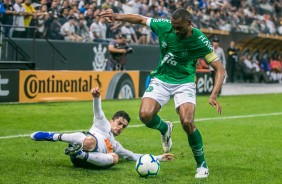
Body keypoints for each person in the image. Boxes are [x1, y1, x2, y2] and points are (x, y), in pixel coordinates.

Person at [100, 8, 225, 179]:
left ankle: (202, 164)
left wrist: (213, 95)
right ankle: (165, 128)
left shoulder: (201, 40)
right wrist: (117, 16)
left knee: (187, 122)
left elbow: (219, 69)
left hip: (184, 82)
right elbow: (140, 19)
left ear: (189, 24)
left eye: (179, 28)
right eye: (174, 27)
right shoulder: (165, 26)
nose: (175, 31)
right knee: (145, 115)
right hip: (162, 78)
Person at [31, 87, 174, 169]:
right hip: (84, 145)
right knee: (89, 140)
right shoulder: (103, 124)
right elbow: (98, 111)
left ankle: (79, 153)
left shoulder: (116, 145)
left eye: (124, 126)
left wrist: (159, 158)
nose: (120, 128)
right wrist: (96, 97)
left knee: (116, 157)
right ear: (111, 121)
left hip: (87, 161)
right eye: (119, 123)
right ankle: (53, 136)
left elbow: (133, 156)